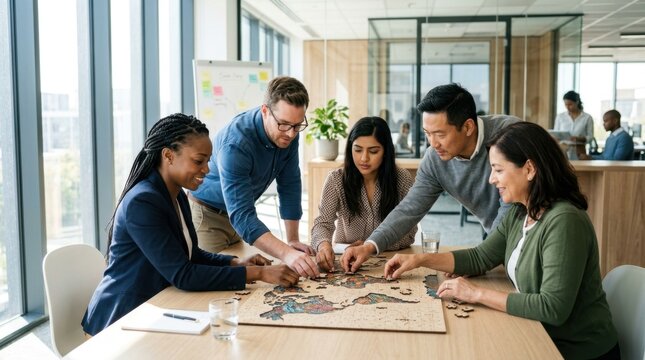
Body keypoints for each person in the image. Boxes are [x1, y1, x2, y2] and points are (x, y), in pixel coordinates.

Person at [384, 122, 619, 360]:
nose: (491, 180)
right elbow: (480, 257)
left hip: (573, 351)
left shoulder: (564, 221)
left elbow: (552, 308)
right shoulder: (520, 212)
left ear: (529, 169)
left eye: (498, 170)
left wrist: (476, 294)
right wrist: (419, 260)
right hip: (537, 335)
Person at [82, 114, 299, 336]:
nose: (206, 169)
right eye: (199, 161)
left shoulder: (176, 195)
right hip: (120, 320)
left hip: (155, 308)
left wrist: (236, 263)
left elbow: (190, 254)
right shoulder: (143, 201)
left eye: (208, 161)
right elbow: (183, 274)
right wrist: (258, 274)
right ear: (168, 155)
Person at [341, 83, 520, 273]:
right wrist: (369, 246)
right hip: (497, 244)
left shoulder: (510, 135)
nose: (433, 144)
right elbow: (409, 209)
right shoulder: (435, 159)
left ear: (468, 126)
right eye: (427, 134)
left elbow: (511, 211)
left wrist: (476, 260)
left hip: (531, 239)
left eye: (440, 134)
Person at [189, 76, 319, 278]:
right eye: (284, 124)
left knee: (245, 289)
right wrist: (287, 254)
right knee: (215, 285)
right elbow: (242, 216)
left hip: (237, 219)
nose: (291, 134)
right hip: (208, 217)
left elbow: (290, 183)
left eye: (298, 125)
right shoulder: (237, 143)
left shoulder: (288, 132)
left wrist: (292, 240)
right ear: (265, 111)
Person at [312, 117, 417, 271]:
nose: (364, 158)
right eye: (358, 149)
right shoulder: (336, 179)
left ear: (386, 151)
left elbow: (409, 233)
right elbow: (322, 224)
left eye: (373, 151)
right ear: (350, 148)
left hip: (390, 262)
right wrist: (324, 245)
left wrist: (370, 246)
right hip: (346, 261)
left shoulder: (401, 179)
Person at [554, 90, 594, 160]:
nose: (567, 107)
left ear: (577, 102)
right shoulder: (560, 117)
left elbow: (590, 137)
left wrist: (579, 139)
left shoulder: (587, 117)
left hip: (579, 151)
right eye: (566, 105)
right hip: (563, 150)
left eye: (570, 104)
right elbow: (555, 133)